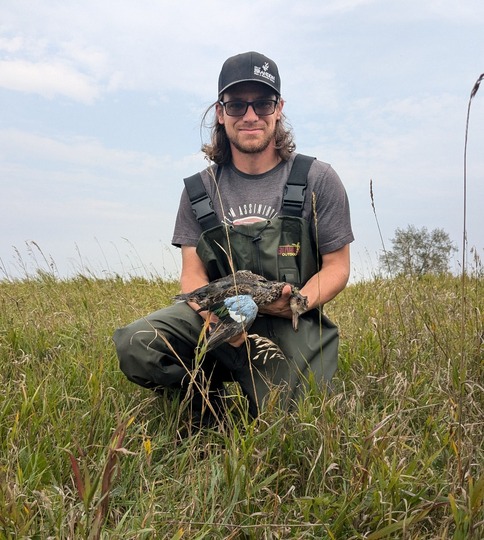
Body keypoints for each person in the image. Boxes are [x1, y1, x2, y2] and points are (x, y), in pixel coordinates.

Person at [113, 51, 354, 424]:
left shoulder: (317, 179)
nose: (251, 115)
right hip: (218, 312)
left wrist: (296, 303)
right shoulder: (200, 190)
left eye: (262, 103)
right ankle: (207, 405)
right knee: (136, 344)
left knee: (292, 418)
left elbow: (337, 267)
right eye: (237, 105)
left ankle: (265, 385)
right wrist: (221, 318)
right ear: (221, 112)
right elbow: (193, 277)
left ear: (279, 108)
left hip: (288, 319)